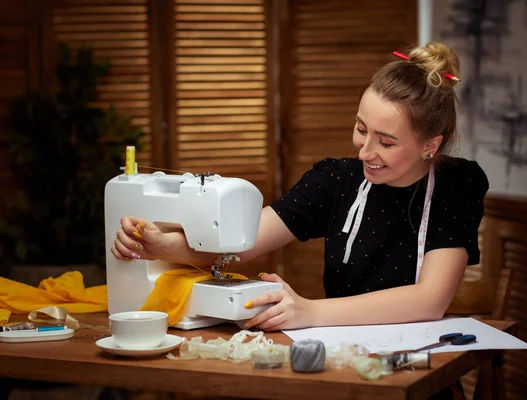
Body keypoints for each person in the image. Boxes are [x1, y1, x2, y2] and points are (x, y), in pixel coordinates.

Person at [112, 41, 488, 335]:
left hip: (419, 363)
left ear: (430, 145)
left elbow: (430, 300)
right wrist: (164, 246)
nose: (365, 150)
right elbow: (243, 242)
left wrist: (310, 310)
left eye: (386, 142)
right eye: (361, 129)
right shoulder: (336, 179)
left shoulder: (456, 185)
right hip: (345, 355)